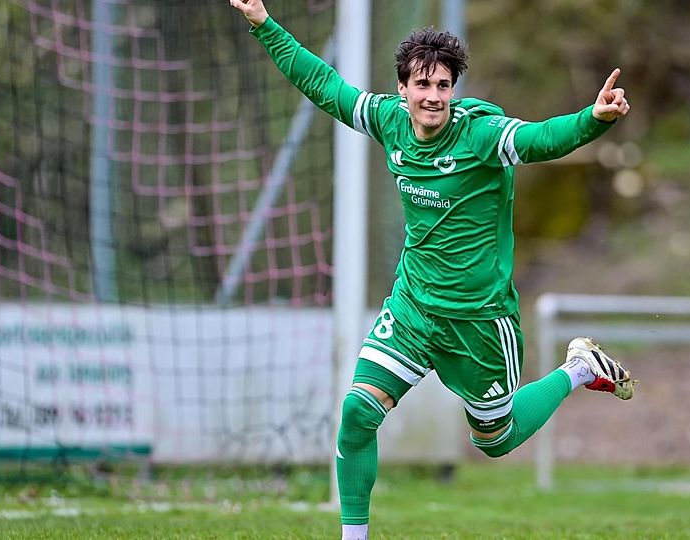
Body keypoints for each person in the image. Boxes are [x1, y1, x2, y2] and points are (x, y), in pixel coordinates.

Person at [229, 1, 634, 538]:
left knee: (495, 441)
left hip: (479, 320)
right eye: (423, 84)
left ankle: (579, 369)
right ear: (403, 89)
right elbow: (323, 85)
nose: (433, 96)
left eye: (443, 85)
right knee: (355, 415)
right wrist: (262, 22)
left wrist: (594, 119)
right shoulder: (390, 122)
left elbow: (540, 140)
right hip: (414, 308)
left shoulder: (482, 136)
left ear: (453, 88)